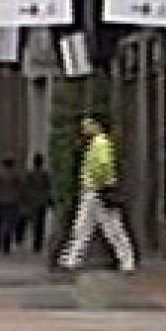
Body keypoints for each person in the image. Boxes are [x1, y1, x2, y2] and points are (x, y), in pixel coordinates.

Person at [58, 116, 137, 273]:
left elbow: (103, 165)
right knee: (85, 226)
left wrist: (100, 182)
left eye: (87, 124)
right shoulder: (96, 144)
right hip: (93, 191)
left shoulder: (100, 143)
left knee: (110, 228)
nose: (84, 128)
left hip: (98, 191)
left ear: (97, 126)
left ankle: (126, 260)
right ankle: (71, 259)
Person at [0, 156, 23, 254]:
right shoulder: (16, 175)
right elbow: (20, 188)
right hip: (11, 202)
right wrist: (18, 198)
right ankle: (6, 244)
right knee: (9, 224)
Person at [21, 153, 53, 254]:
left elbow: (25, 188)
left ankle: (36, 242)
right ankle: (37, 243)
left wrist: (24, 200)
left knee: (35, 222)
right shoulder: (45, 175)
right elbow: (48, 189)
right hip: (42, 202)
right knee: (40, 223)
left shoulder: (30, 175)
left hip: (32, 201)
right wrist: (49, 200)